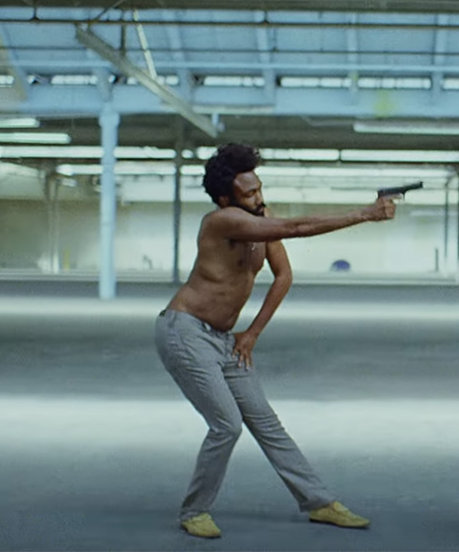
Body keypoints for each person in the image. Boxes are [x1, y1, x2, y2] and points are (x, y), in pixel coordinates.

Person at [155, 143, 396, 538]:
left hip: (223, 338)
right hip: (185, 332)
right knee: (226, 425)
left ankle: (319, 503)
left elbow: (283, 274)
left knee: (266, 422)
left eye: (259, 188)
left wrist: (251, 333)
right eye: (249, 193)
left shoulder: (260, 218)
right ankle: (194, 511)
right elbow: (295, 228)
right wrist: (365, 214)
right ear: (225, 199)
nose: (259, 198)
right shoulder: (221, 222)